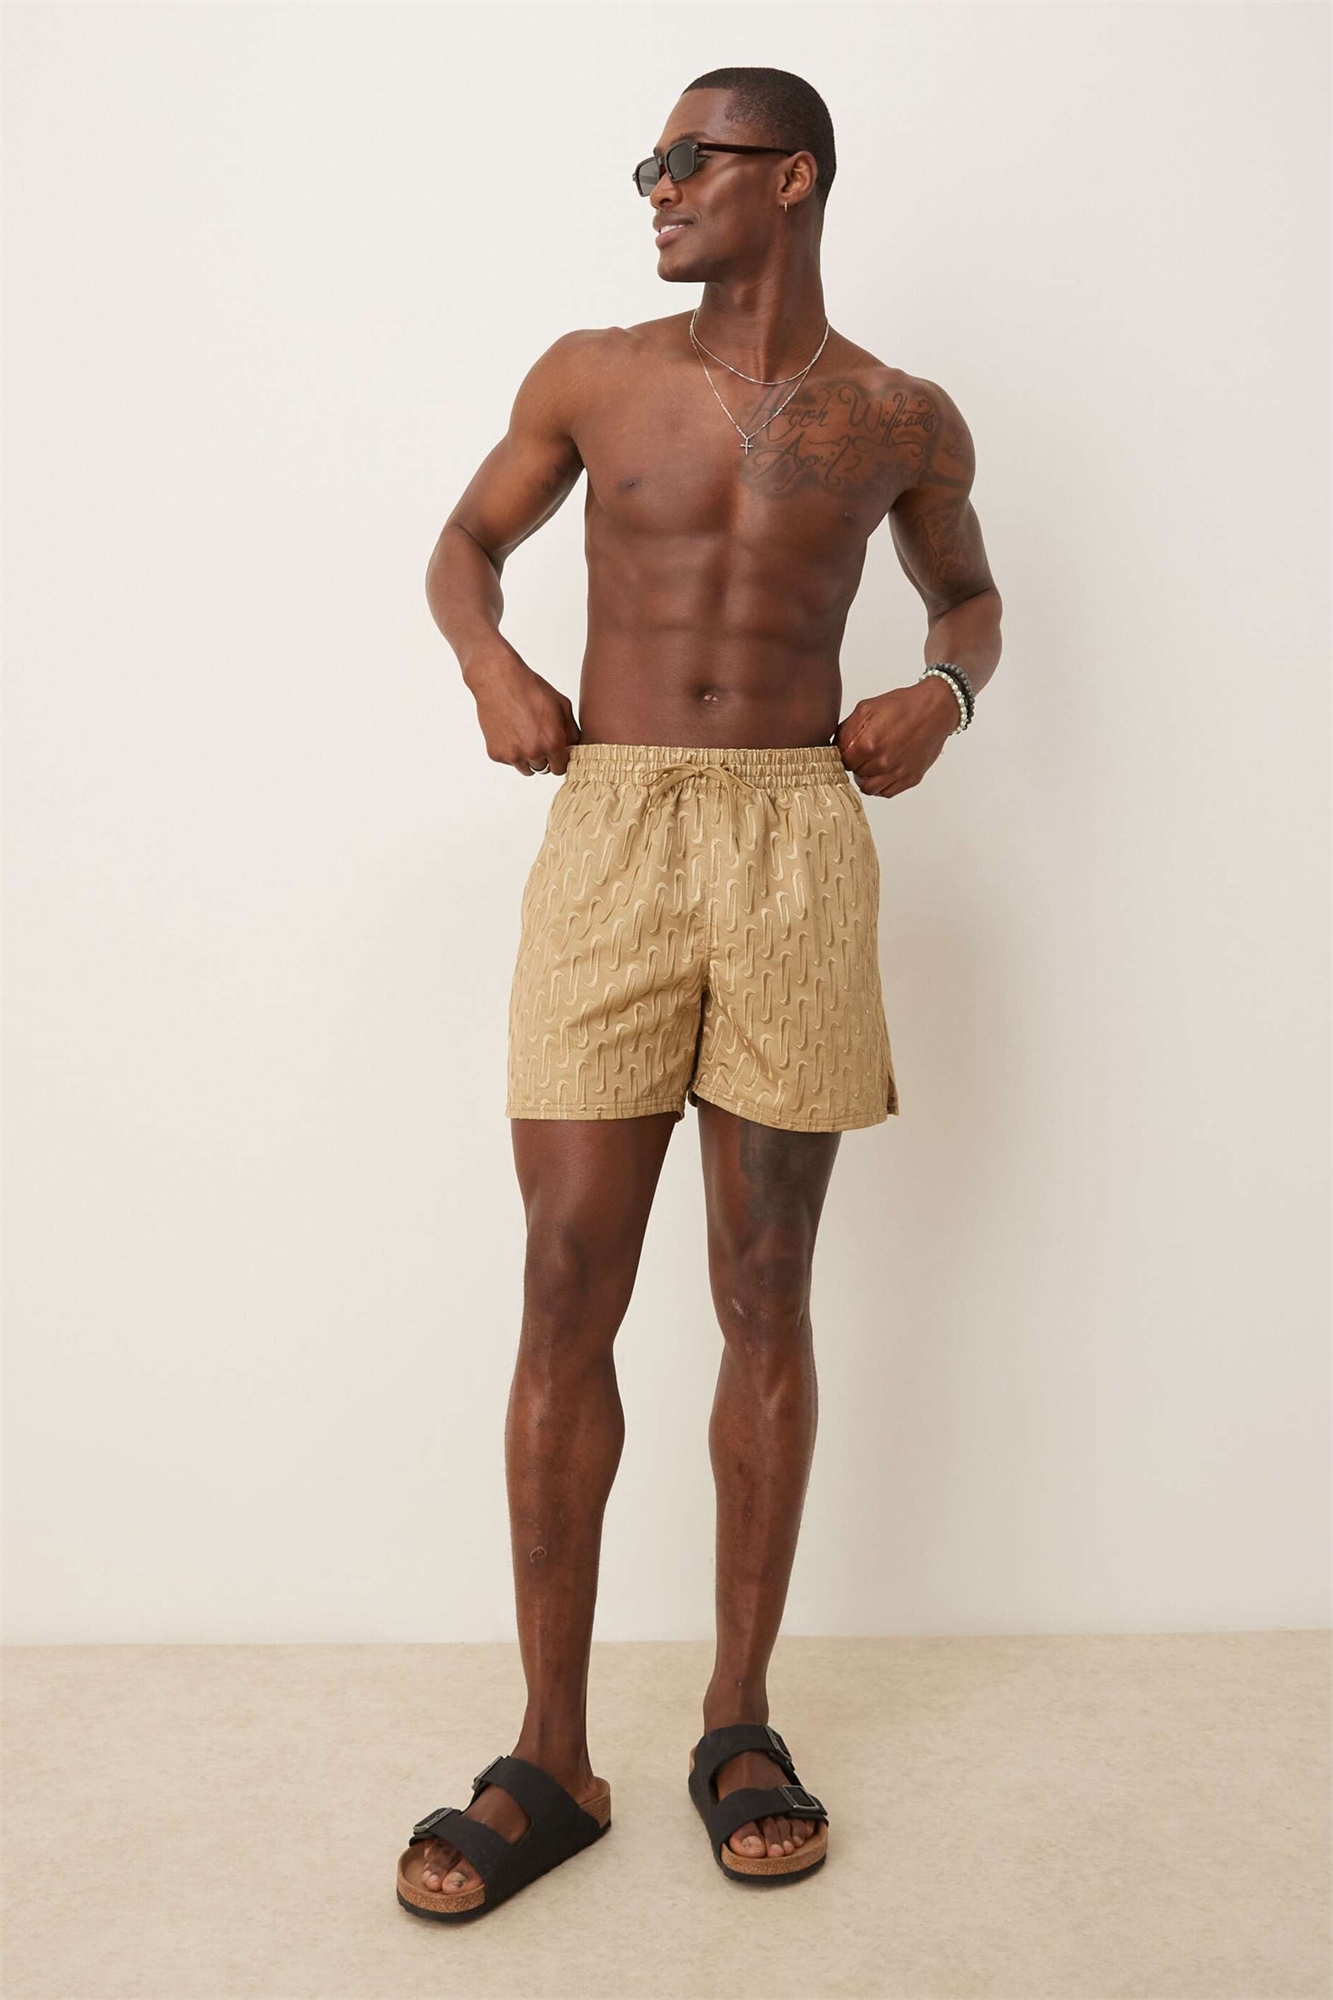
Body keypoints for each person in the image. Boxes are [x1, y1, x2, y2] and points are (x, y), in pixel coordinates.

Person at [398, 65, 1002, 1921]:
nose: (655, 187)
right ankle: (549, 1755)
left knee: (763, 1290)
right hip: (614, 831)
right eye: (650, 163)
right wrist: (492, 665)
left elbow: (969, 598)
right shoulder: (595, 375)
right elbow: (461, 546)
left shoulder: (898, 414)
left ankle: (738, 1721)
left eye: (687, 159)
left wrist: (943, 693)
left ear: (788, 177)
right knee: (564, 1283)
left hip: (798, 839)